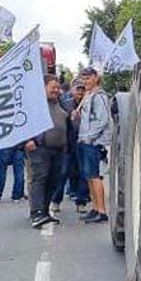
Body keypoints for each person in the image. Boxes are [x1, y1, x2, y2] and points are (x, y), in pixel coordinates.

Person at [27, 75, 67, 228]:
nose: (56, 90)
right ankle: (36, 213)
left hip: (58, 150)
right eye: (53, 87)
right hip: (39, 148)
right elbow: (25, 123)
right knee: (40, 178)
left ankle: (44, 211)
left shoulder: (61, 103)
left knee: (53, 180)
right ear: (43, 87)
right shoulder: (35, 104)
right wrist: (28, 140)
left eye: (57, 87)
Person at [76, 67, 111, 223]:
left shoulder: (99, 97)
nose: (85, 82)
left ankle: (102, 211)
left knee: (95, 176)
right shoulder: (89, 95)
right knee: (89, 176)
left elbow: (102, 120)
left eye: (88, 78)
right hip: (85, 141)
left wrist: (89, 137)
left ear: (96, 78)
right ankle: (95, 208)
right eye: (83, 79)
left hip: (95, 143)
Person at [52, 78, 88, 214]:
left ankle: (81, 201)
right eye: (78, 89)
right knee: (63, 172)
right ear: (72, 90)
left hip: (83, 141)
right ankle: (56, 200)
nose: (80, 92)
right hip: (68, 142)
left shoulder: (88, 103)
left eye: (82, 89)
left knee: (82, 172)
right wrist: (69, 116)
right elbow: (58, 117)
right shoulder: (64, 102)